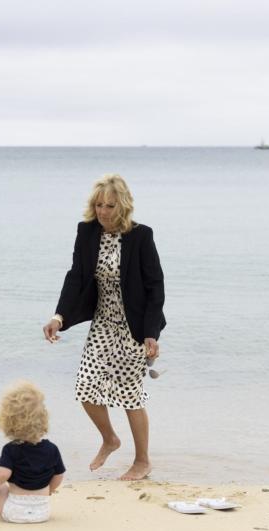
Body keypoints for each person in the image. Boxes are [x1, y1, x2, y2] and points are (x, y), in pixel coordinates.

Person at [43, 174, 165, 481]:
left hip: (133, 326)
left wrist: (151, 332)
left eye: (110, 205)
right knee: (85, 386)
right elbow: (76, 277)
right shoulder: (87, 232)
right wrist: (59, 316)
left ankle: (142, 461)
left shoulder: (141, 236)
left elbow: (155, 286)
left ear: (122, 206)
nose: (103, 211)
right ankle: (110, 439)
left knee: (129, 394)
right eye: (99, 205)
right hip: (102, 324)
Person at [0, 381, 66, 524]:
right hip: (43, 512)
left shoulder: (11, 449)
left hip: (14, 512)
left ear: (7, 421)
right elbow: (59, 475)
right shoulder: (52, 449)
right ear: (43, 419)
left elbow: (2, 474)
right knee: (4, 486)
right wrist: (49, 489)